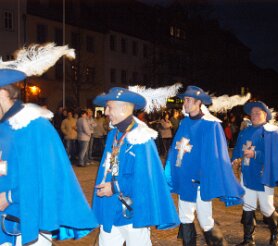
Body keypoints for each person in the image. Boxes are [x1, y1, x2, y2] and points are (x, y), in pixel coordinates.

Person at [0, 43, 98, 245]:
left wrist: (9, 197)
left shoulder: (35, 126)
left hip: (28, 217)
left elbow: (45, 176)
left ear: (2, 93)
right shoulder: (5, 125)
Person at [92, 87, 179, 246]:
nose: (105, 112)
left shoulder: (142, 138)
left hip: (134, 209)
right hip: (111, 206)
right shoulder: (113, 134)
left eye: (109, 107)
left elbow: (144, 179)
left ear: (124, 108)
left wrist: (114, 186)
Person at [165, 85, 245, 246]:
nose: (184, 104)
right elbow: (176, 149)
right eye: (184, 100)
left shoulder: (211, 125)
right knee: (185, 217)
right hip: (185, 180)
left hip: (200, 182)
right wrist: (173, 171)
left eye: (188, 100)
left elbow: (216, 156)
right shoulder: (184, 123)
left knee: (205, 220)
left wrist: (206, 177)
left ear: (198, 103)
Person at [232, 101, 278, 246]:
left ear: (265, 115)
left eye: (257, 113)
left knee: (266, 208)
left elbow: (275, 156)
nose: (254, 116)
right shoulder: (245, 131)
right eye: (252, 113)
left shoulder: (272, 133)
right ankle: (248, 239)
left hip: (263, 176)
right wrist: (235, 160)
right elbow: (237, 150)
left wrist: (255, 154)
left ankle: (275, 231)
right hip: (247, 174)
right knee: (248, 206)